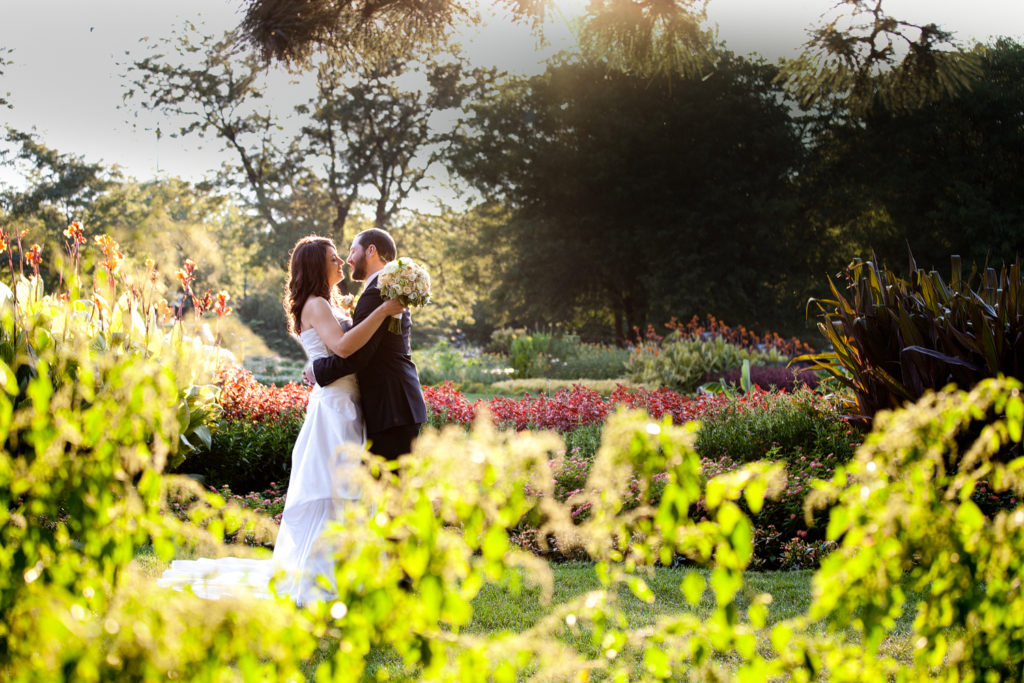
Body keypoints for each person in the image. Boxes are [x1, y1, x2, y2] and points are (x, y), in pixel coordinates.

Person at [158, 235, 403, 604]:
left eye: (341, 256)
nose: (340, 263)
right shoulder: (317, 304)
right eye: (333, 258)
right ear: (315, 266)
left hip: (347, 403)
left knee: (348, 489)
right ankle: (322, 579)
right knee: (333, 490)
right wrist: (383, 312)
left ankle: (350, 573)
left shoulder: (327, 303)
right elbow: (343, 348)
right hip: (335, 408)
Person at [304, 228, 427, 461]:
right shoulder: (383, 288)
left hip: (390, 406)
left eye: (352, 251)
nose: (348, 259)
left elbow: (359, 355)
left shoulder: (379, 291)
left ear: (371, 250)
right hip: (395, 405)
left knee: (389, 489)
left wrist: (317, 369)